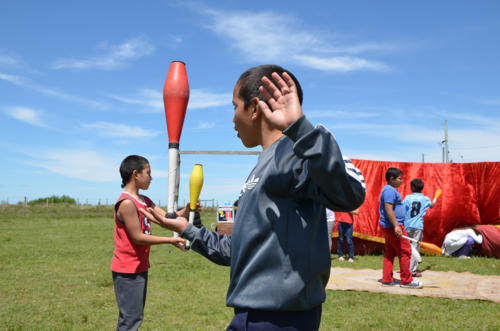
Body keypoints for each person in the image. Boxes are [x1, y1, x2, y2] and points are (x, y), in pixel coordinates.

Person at [141, 65, 366, 330]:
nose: (233, 118)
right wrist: (189, 230)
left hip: (280, 319)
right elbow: (239, 251)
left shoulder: (299, 151)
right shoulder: (264, 164)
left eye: (235, 106)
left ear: (255, 108)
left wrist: (300, 129)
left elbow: (352, 193)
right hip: (252, 316)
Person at [110, 155, 186, 331]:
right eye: (148, 173)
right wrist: (170, 240)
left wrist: (189, 209)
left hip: (139, 267)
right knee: (130, 320)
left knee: (135, 317)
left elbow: (167, 218)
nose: (151, 178)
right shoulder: (127, 203)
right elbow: (138, 237)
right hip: (127, 269)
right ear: (135, 174)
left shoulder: (144, 200)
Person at [379, 167, 422, 289]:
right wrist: (396, 226)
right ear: (391, 179)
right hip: (393, 227)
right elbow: (388, 208)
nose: (401, 181)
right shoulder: (389, 191)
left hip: (388, 226)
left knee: (390, 252)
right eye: (399, 178)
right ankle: (406, 281)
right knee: (405, 251)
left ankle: (386, 279)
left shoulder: (390, 190)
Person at [403, 178, 436, 276]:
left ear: (412, 187)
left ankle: (405, 268)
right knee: (415, 248)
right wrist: (434, 200)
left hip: (407, 225)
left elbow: (403, 209)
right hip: (417, 226)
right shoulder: (425, 199)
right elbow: (432, 205)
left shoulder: (407, 198)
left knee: (406, 248)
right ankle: (411, 271)